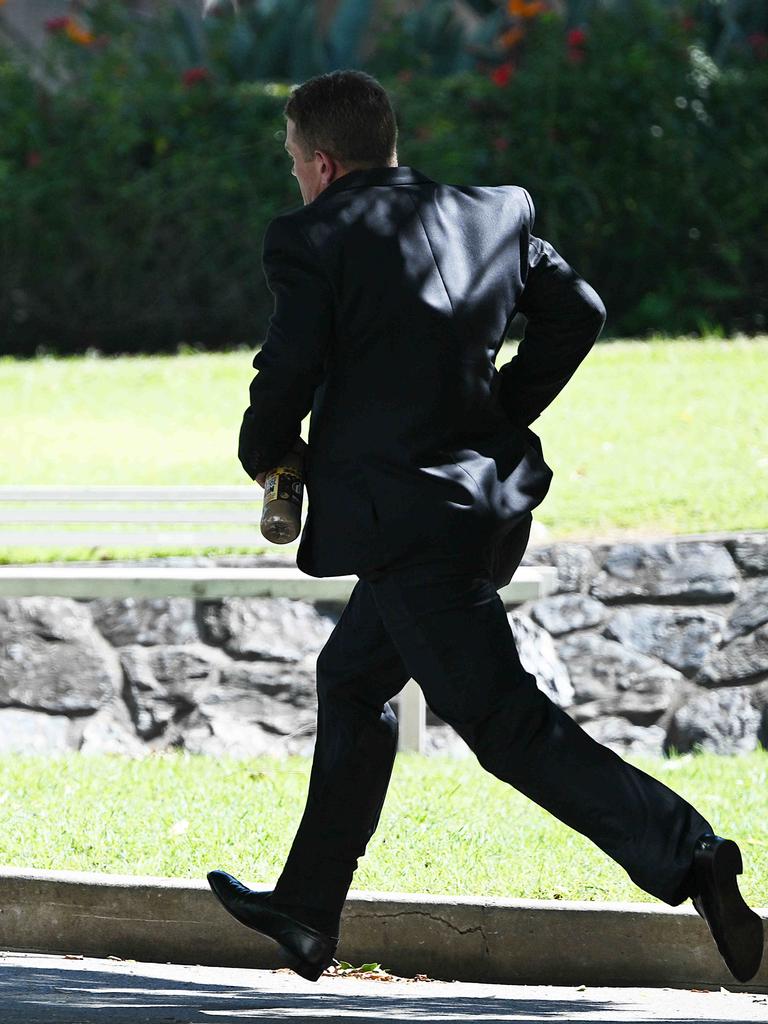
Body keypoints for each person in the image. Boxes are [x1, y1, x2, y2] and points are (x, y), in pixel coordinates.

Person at [207, 69, 764, 984]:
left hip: (406, 524)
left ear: (322, 162)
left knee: (503, 725)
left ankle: (692, 854)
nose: (298, 184)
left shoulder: (312, 234)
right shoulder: (491, 214)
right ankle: (308, 910)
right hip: (477, 505)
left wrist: (267, 449)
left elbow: (288, 369)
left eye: (297, 168)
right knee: (350, 678)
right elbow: (576, 311)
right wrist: (501, 407)